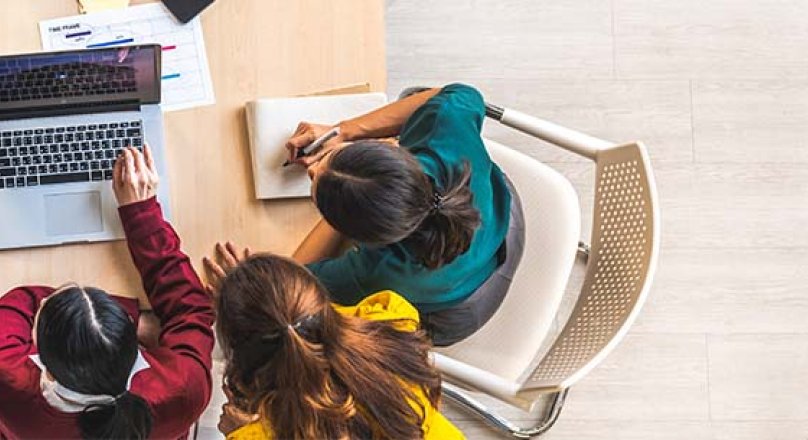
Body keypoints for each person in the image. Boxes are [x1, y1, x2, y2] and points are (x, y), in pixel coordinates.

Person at [285, 83, 525, 346]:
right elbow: (462, 94)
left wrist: (343, 212)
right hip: (503, 225)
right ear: (392, 154)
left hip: (457, 313)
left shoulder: (377, 273)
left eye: (314, 178)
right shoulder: (445, 132)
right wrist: (342, 133)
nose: (314, 168)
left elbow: (293, 283)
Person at [0, 146, 215, 439]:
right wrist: (142, 215)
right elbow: (191, 310)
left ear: (46, 368)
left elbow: (19, 301)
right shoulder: (184, 391)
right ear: (135, 345)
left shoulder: (9, 384)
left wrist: (133, 317)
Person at [203, 248, 464, 439]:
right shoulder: (392, 320)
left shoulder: (260, 433)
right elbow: (307, 325)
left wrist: (237, 432)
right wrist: (271, 301)